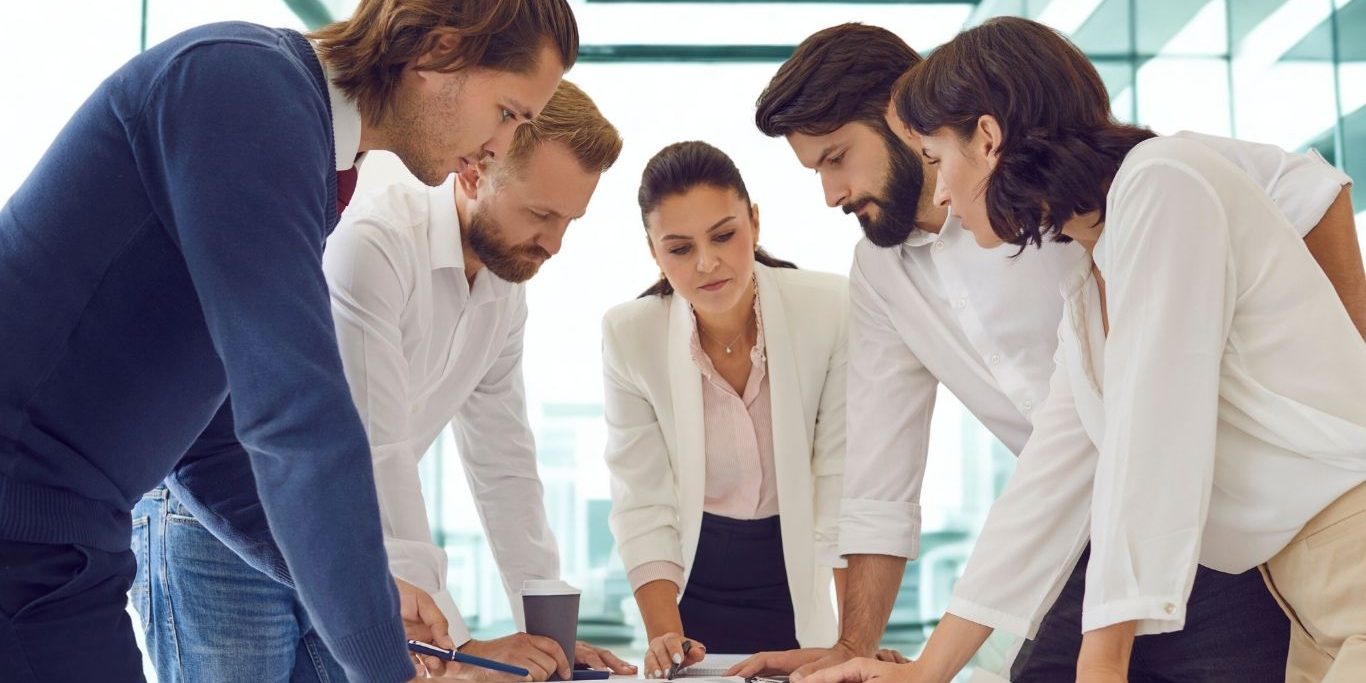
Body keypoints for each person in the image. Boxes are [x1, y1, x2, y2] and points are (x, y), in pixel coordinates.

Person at [731, 21, 1366, 683]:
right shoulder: (1086, 287)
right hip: (1269, 576)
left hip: (1310, 548)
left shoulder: (1161, 182)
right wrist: (926, 669)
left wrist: (1339, 404)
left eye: (936, 158)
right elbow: (1053, 471)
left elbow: (1153, 442)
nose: (940, 190)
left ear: (986, 138)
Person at [0, 0, 576, 680]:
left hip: (64, 543)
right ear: (438, 52)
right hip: (26, 528)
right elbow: (297, 413)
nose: (501, 146)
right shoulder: (242, 90)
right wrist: (383, 664)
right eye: (508, 113)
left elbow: (213, 443)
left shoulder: (299, 143)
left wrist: (373, 594)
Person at [130, 80, 632, 682]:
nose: (554, 244)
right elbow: (379, 450)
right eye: (540, 215)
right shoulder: (374, 243)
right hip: (222, 519)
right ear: (475, 171)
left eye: (569, 221)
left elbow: (504, 463)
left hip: (332, 533)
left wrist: (548, 637)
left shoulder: (504, 289)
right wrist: (455, 652)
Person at [602, 141, 848, 678]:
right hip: (687, 588)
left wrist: (853, 641)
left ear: (754, 222)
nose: (707, 263)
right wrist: (665, 636)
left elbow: (840, 484)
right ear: (653, 251)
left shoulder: (829, 309)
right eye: (679, 248)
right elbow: (642, 500)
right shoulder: (630, 335)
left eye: (723, 235)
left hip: (795, 583)